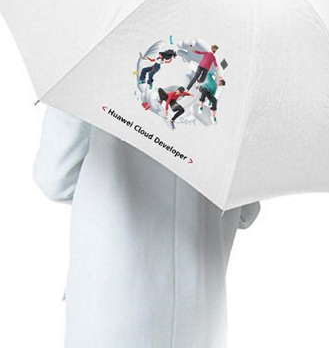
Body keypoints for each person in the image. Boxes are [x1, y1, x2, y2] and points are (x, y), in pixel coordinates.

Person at [34, 106, 260, 348]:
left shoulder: (92, 83)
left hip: (110, 308)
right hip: (199, 313)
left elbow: (55, 179)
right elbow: (247, 210)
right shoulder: (239, 92)